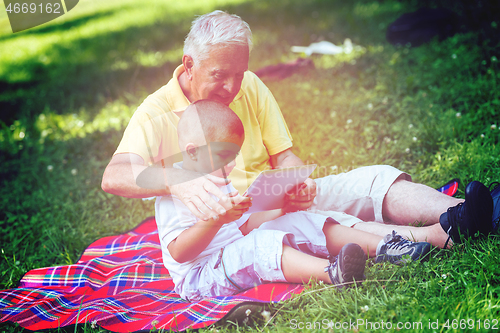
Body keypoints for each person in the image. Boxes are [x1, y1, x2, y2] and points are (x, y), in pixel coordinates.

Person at [102, 10, 495, 250]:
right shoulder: (155, 113)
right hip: (239, 228)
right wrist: (176, 181)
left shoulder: (250, 84)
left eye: (239, 74)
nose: (232, 87)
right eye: (220, 76)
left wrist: (297, 179)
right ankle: (457, 227)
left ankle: (469, 214)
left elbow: (283, 154)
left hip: (278, 200)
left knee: (373, 179)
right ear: (188, 64)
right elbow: (114, 176)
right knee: (337, 225)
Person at [156, 100, 433, 300]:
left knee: (296, 219)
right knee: (257, 246)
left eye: (233, 157)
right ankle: (332, 273)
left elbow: (243, 227)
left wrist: (281, 207)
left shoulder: (219, 179)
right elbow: (181, 252)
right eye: (223, 157)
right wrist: (216, 221)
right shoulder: (172, 195)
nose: (230, 166)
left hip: (233, 248)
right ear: (192, 153)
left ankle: (387, 246)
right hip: (201, 276)